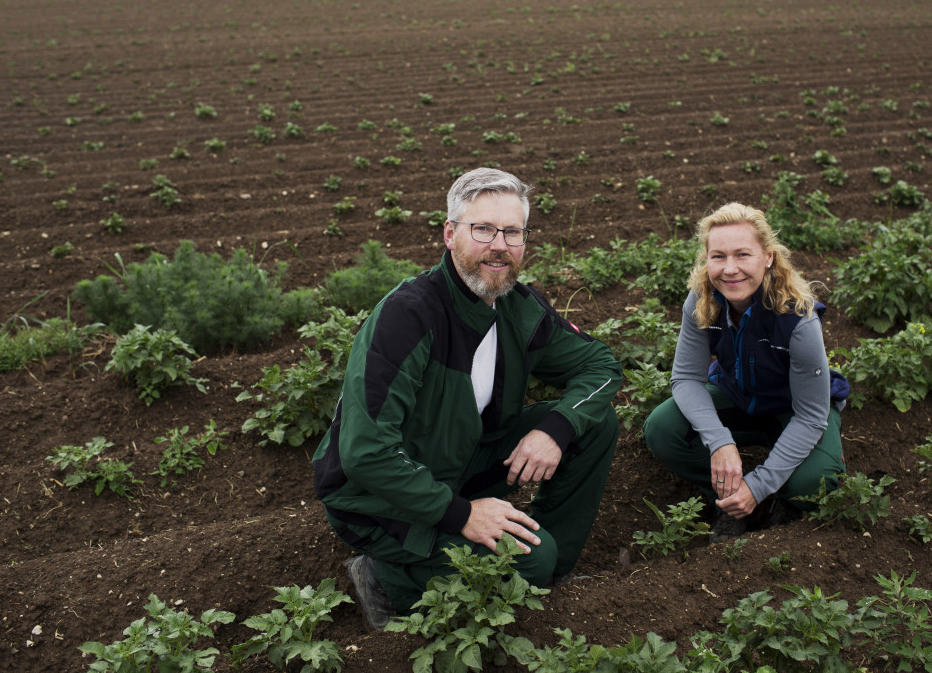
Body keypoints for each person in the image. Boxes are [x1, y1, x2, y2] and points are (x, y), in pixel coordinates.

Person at [313, 168, 621, 629]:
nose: (499, 244)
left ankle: (544, 572)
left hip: (460, 462)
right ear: (450, 234)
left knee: (591, 423)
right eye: (483, 229)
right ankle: (383, 576)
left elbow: (600, 365)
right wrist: (462, 515)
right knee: (528, 562)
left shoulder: (518, 305)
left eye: (512, 231)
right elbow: (366, 453)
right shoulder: (410, 316)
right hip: (379, 499)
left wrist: (554, 430)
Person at [643, 202, 848, 543]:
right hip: (736, 396)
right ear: (706, 259)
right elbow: (686, 378)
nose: (730, 269)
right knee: (663, 430)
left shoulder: (798, 318)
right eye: (718, 256)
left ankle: (783, 501)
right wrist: (720, 442)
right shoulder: (701, 301)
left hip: (794, 409)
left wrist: (760, 484)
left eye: (742, 255)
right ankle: (728, 502)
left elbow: (811, 416)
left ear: (768, 257)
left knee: (814, 484)